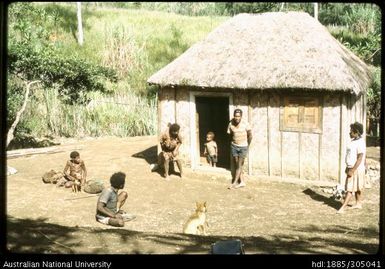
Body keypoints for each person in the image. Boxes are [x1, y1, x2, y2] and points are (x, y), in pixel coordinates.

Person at [337, 122, 366, 214]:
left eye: (351, 131)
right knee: (357, 186)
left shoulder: (360, 142)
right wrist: (347, 167)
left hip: (356, 168)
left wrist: (352, 170)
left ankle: (343, 208)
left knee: (349, 189)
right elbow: (350, 156)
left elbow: (360, 157)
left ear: (356, 132)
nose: (350, 133)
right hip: (351, 167)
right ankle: (358, 203)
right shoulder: (353, 141)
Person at [227, 108, 252, 189]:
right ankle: (242, 182)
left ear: (241, 116)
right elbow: (229, 134)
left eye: (238, 116)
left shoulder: (245, 124)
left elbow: (250, 135)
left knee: (239, 165)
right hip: (234, 146)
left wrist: (247, 145)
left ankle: (234, 183)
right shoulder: (231, 124)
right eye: (235, 116)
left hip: (243, 147)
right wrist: (233, 143)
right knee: (237, 164)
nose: (237, 118)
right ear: (234, 116)